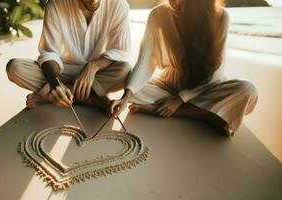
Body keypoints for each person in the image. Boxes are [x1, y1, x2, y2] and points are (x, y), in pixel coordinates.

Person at [110, 0, 258, 137]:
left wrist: (179, 100)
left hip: (206, 88)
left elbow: (215, 74)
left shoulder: (220, 17)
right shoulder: (158, 14)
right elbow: (144, 63)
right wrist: (126, 97)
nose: (173, 2)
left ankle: (175, 111)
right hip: (168, 85)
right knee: (126, 81)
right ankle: (205, 113)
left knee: (248, 91)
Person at [6, 0, 131, 109]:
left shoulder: (119, 5)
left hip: (97, 74)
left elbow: (119, 50)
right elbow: (50, 53)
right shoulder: (55, 5)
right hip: (62, 71)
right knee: (15, 68)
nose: (94, 1)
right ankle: (93, 100)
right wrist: (56, 84)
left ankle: (50, 97)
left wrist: (93, 67)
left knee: (124, 71)